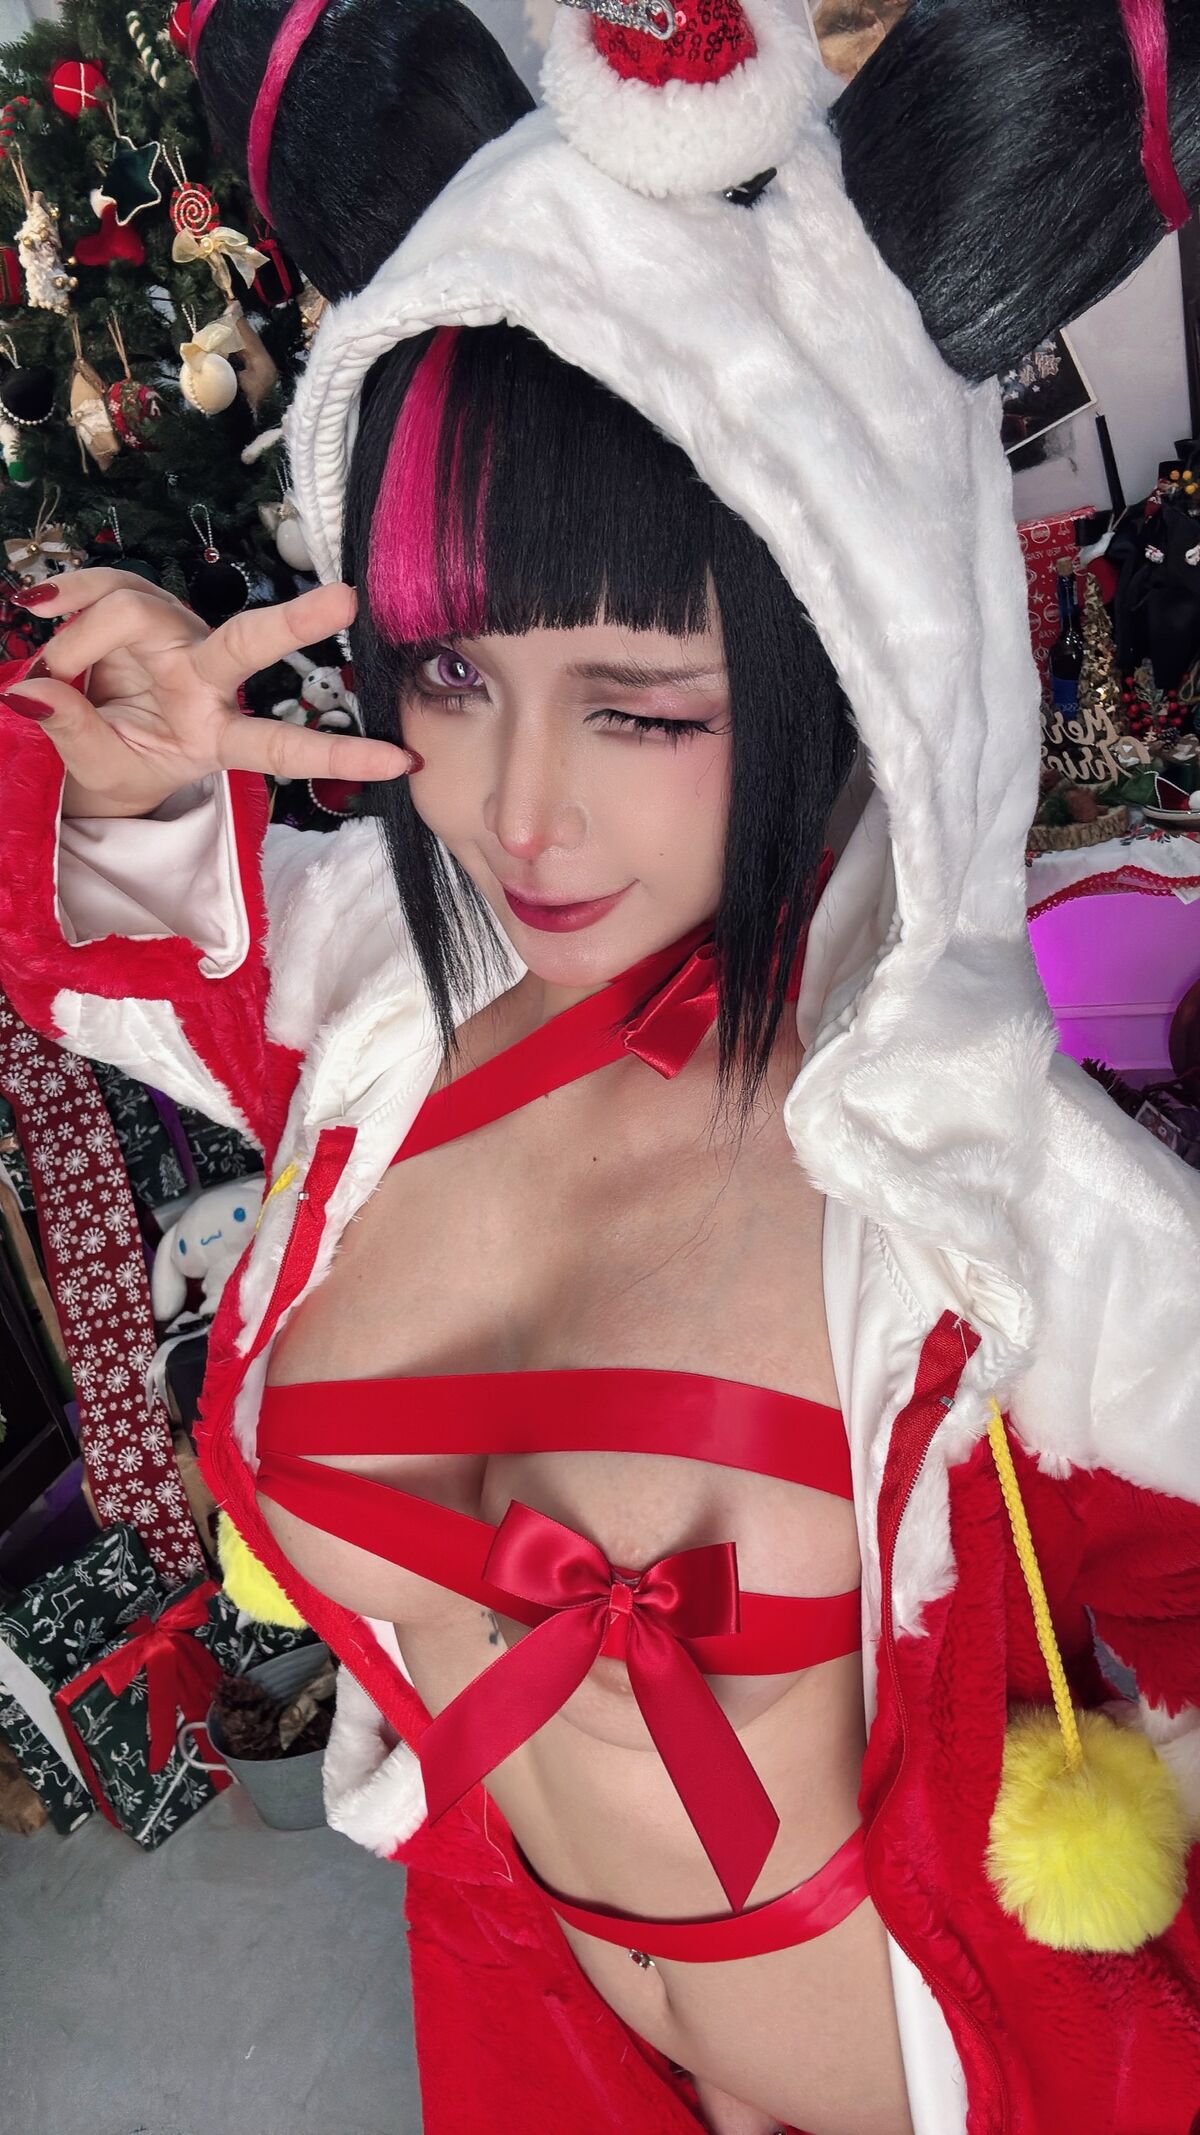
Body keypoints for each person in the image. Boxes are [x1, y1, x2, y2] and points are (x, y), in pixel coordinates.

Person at [1, 2, 1200, 2130]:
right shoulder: (380, 1010)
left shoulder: (996, 1195)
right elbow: (96, 934)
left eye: (642, 705)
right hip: (533, 2036)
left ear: (856, 657)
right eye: (450, 677)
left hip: (948, 2070)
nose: (517, 814)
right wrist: (118, 766)